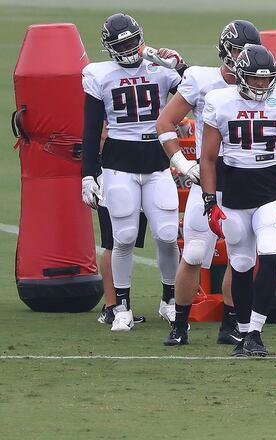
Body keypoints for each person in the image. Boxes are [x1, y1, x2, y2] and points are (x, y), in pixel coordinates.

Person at [155, 20, 263, 346]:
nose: (240, 58)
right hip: (209, 179)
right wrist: (181, 162)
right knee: (195, 252)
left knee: (241, 257)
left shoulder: (262, 83)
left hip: (244, 179)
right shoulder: (202, 80)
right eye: (235, 51)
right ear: (224, 50)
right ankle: (180, 324)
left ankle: (229, 324)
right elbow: (166, 122)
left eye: (246, 52)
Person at [199, 44, 276, 356]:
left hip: (272, 191)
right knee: (242, 264)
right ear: (240, 76)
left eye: (266, 79)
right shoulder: (220, 101)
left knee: (271, 254)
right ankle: (244, 332)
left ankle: (257, 332)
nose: (261, 84)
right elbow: (207, 158)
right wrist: (210, 201)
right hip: (234, 194)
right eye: (255, 79)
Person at [80, 12, 184, 331]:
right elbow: (90, 127)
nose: (127, 48)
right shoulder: (99, 74)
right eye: (120, 43)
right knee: (123, 238)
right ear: (109, 47)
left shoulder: (159, 68)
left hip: (156, 161)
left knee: (167, 235)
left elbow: (197, 90)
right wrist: (88, 173)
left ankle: (169, 301)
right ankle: (121, 306)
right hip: (118, 164)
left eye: (131, 41)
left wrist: (179, 65)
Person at [95, 126, 149, 326]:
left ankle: (121, 305)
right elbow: (100, 134)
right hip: (115, 174)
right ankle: (111, 307)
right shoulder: (106, 97)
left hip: (139, 172)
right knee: (114, 242)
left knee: (126, 243)